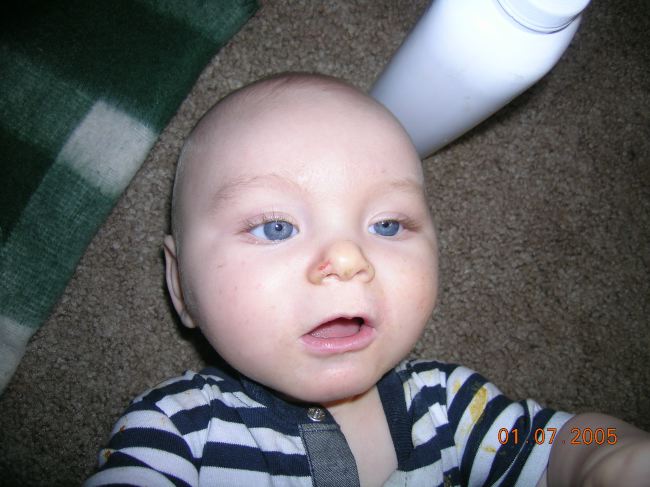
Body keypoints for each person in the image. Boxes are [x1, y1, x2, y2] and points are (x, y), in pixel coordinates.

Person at [85, 73, 650, 487]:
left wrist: (610, 456)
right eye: (277, 227)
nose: (348, 258)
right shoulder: (178, 433)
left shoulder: (451, 409)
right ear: (180, 284)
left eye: (387, 224)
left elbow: (559, 442)